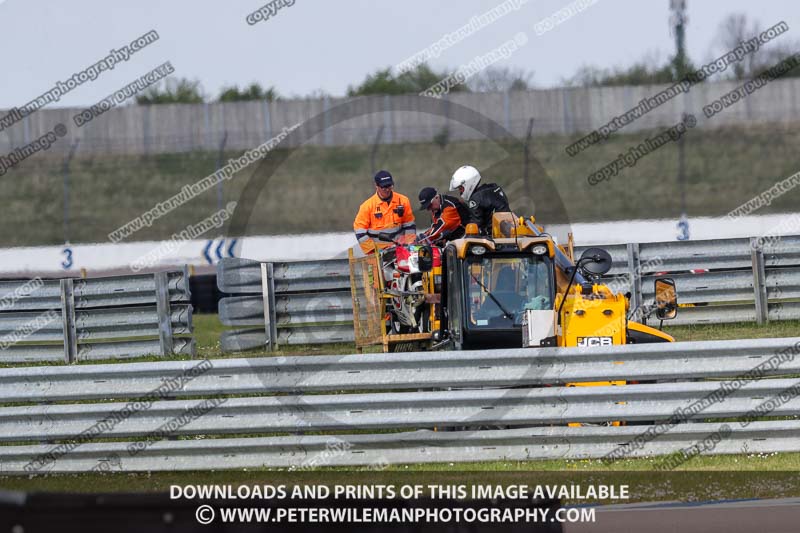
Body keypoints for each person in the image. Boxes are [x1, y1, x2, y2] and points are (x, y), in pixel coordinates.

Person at [353, 170, 416, 254]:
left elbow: (410, 226)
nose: (387, 190)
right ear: (376, 186)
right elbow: (360, 232)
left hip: (401, 250)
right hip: (379, 253)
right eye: (384, 187)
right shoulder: (367, 206)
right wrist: (373, 251)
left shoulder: (403, 201)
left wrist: (408, 245)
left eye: (389, 186)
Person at [449, 165, 510, 234]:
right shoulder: (494, 188)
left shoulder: (475, 199)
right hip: (508, 230)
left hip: (494, 237)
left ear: (468, 184)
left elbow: (476, 224)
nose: (460, 192)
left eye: (461, 188)